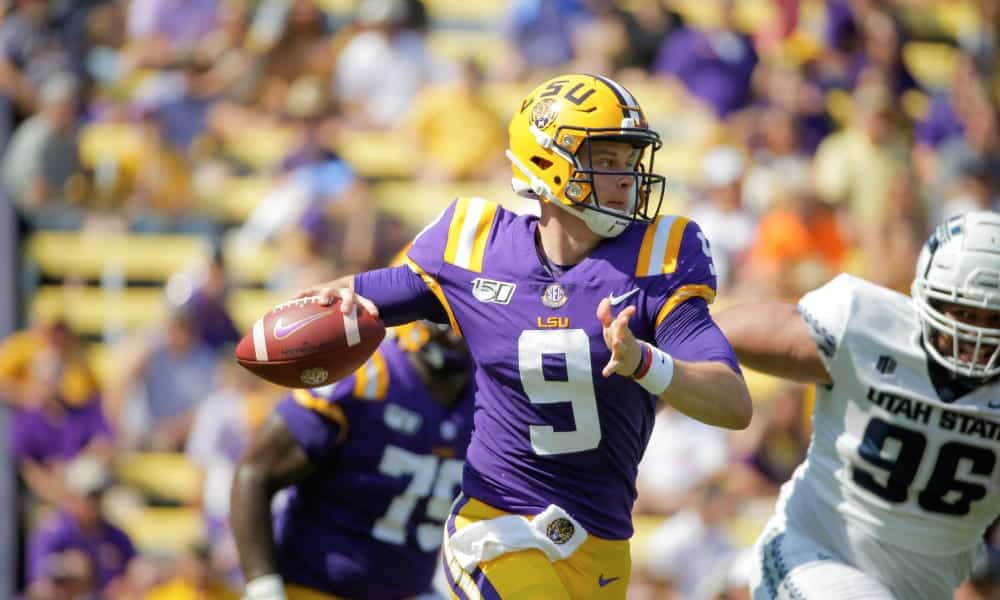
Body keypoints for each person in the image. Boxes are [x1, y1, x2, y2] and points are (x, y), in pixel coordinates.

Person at [290, 73, 752, 599]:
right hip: (498, 524)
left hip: (601, 544)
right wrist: (329, 305)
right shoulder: (474, 242)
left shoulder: (660, 257)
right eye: (606, 160)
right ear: (549, 164)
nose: (626, 177)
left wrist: (644, 362)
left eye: (630, 159)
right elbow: (360, 294)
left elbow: (732, 403)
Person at [714, 210, 1000, 599]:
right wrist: (662, 355)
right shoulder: (869, 327)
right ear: (929, 299)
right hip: (816, 552)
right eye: (964, 313)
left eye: (993, 319)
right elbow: (749, 330)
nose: (977, 336)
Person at [231, 320, 475, 600]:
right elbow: (254, 473)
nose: (457, 333)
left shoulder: (495, 397)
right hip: (314, 586)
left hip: (410, 589)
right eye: (445, 318)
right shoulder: (362, 380)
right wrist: (263, 587)